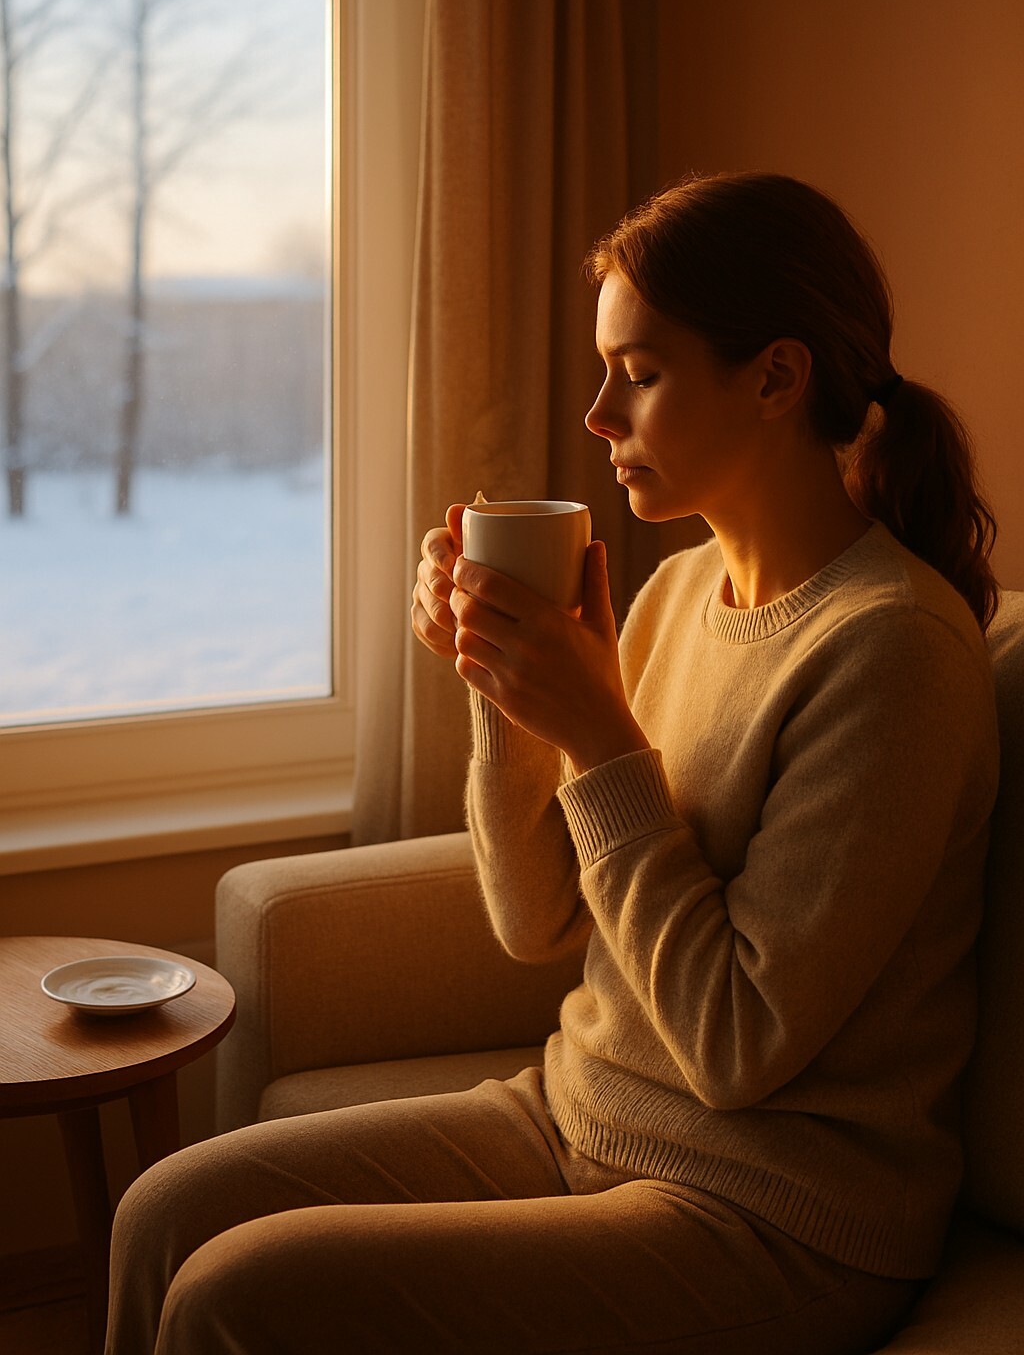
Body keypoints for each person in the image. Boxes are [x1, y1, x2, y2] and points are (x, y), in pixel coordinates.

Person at [105, 173, 999, 1355]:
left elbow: (736, 1044)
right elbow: (536, 923)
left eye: (638, 372)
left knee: (243, 1292)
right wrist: (511, 689)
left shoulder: (893, 649)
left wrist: (597, 731)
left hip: (774, 1215)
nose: (596, 415)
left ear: (777, 378)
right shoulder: (682, 592)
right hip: (577, 1117)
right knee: (166, 1211)